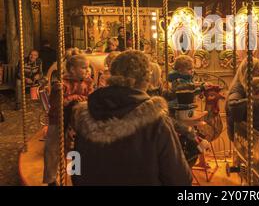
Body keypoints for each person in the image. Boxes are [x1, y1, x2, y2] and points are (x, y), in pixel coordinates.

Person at [71, 50, 192, 185]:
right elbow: (179, 178)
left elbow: (75, 168)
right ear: (146, 79)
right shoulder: (156, 121)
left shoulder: (85, 117)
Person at [43, 54, 94, 186]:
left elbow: (90, 98)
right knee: (52, 149)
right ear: (72, 69)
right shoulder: (61, 84)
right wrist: (74, 97)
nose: (87, 70)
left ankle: (75, 178)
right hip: (59, 119)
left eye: (88, 67)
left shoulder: (88, 81)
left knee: (75, 150)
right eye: (84, 67)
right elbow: (57, 104)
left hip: (77, 121)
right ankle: (51, 179)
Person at [226, 57, 259, 141]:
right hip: (245, 138)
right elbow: (233, 107)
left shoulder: (248, 87)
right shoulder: (238, 88)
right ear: (248, 73)